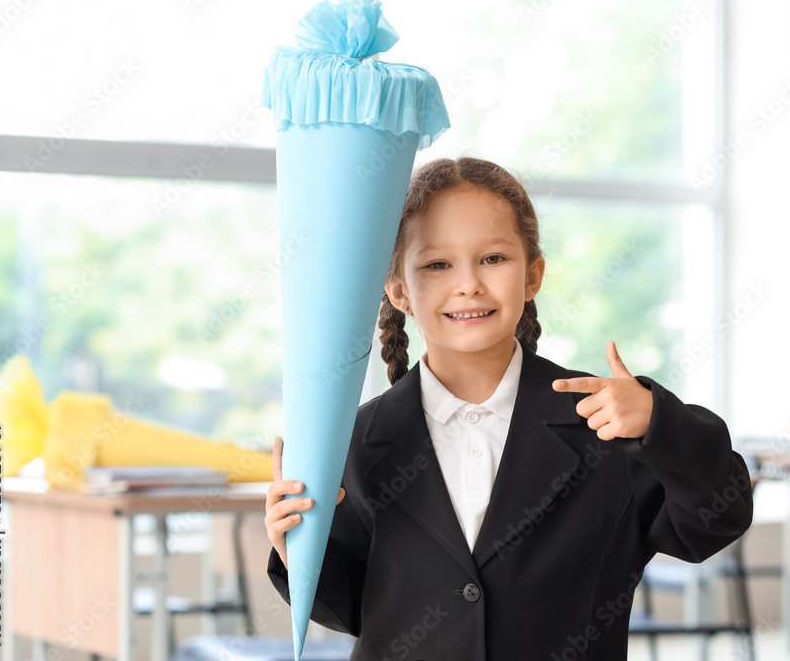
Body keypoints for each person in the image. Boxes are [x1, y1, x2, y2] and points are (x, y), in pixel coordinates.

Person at [264, 157, 753, 660]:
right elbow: (354, 609)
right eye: (437, 264)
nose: (469, 283)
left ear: (533, 275)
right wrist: (297, 552)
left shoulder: (604, 424)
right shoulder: (357, 439)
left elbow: (714, 523)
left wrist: (660, 422)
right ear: (399, 291)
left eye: (493, 258)